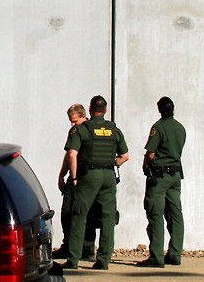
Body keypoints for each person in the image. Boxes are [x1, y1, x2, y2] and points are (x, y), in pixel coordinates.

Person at [64, 95, 129, 271]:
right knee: (108, 218)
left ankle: (73, 259)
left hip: (89, 175)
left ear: (91, 110)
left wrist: (75, 177)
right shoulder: (114, 130)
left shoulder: (83, 129)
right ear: (105, 110)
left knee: (79, 214)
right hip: (109, 176)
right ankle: (104, 260)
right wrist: (110, 163)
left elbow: (72, 154)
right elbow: (125, 156)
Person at [137, 96, 186, 268]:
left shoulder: (158, 127)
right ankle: (175, 254)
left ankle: (156, 257)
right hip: (175, 176)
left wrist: (145, 164)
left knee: (155, 213)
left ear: (160, 110)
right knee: (175, 214)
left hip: (159, 177)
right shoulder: (180, 128)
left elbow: (151, 153)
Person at [54, 103, 98, 263]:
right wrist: (62, 174)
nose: (72, 124)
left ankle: (78, 248)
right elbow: (69, 155)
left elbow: (71, 155)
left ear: (83, 115)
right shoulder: (88, 129)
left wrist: (71, 177)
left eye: (74, 120)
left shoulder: (80, 130)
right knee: (80, 212)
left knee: (75, 212)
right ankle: (82, 247)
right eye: (70, 121)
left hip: (80, 177)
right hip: (88, 177)